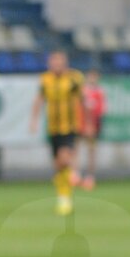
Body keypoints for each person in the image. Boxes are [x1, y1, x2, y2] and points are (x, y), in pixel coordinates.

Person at [29, 51, 84, 216]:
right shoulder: (45, 80)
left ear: (65, 63)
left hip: (70, 126)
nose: (56, 65)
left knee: (64, 157)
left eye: (59, 62)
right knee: (58, 166)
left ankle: (74, 174)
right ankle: (64, 198)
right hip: (53, 128)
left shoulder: (74, 78)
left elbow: (82, 100)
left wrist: (86, 122)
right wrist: (34, 120)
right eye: (54, 62)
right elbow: (39, 100)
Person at [79, 68, 106, 189]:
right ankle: (75, 175)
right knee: (75, 149)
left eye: (95, 76)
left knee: (91, 150)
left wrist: (93, 125)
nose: (92, 79)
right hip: (80, 123)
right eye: (91, 76)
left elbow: (101, 111)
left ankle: (90, 177)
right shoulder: (82, 91)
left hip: (93, 125)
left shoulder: (100, 92)